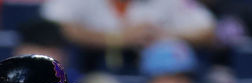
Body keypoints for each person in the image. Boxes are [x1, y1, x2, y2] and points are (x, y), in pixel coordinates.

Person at [40, 0, 216, 49]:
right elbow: (58, 24)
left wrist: (163, 35)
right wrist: (119, 39)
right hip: (91, 71)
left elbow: (208, 30)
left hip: (148, 74)